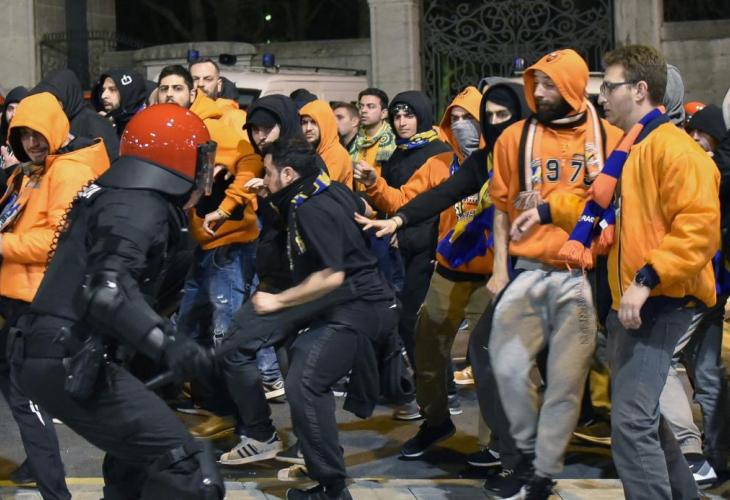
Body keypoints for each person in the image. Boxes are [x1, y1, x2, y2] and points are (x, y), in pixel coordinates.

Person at [516, 44, 719, 500]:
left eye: (609, 87)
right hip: (634, 301)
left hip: (661, 301)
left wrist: (646, 280)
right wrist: (546, 210)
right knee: (642, 418)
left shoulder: (676, 151)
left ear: (640, 90)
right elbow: (610, 217)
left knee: (630, 422)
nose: (601, 96)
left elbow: (698, 230)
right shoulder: (632, 150)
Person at [14, 104, 224, 499]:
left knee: (135, 468)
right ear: (181, 159)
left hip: (61, 351)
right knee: (186, 469)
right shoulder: (137, 203)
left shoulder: (122, 197)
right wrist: (169, 345)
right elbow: (106, 292)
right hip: (67, 354)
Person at [355, 83, 528, 463]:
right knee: (427, 349)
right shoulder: (445, 164)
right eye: (457, 118)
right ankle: (435, 421)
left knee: (487, 359)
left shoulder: (513, 162)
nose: (464, 125)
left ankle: (495, 443)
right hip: (448, 269)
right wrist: (384, 200)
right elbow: (416, 199)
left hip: (493, 277)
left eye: (472, 118)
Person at [484, 49, 622, 499]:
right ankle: (524, 455)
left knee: (566, 382)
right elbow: (501, 209)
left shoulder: (612, 137)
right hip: (527, 270)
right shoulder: (513, 138)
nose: (538, 93)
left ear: (573, 87)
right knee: (506, 366)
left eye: (549, 84)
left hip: (582, 276)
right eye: (536, 83)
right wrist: (499, 270)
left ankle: (541, 474)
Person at [254, 137, 396, 500]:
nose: (265, 179)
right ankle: (321, 459)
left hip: (358, 307)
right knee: (298, 358)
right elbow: (364, 207)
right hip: (357, 302)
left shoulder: (309, 209)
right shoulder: (327, 189)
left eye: (268, 173)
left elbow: (331, 276)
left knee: (304, 383)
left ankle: (332, 488)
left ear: (288, 174)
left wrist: (277, 300)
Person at [0, 91, 111, 499]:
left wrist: (1, 245)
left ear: (56, 128)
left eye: (37, 133)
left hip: (37, 302)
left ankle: (53, 489)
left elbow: (54, 243)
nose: (31, 142)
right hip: (19, 296)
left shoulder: (66, 172)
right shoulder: (35, 171)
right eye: (23, 135)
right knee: (22, 394)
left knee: (26, 397)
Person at [353, 90, 452, 420]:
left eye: (409, 115)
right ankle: (434, 389)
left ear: (422, 116)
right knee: (411, 322)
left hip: (430, 249)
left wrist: (435, 244)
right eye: (397, 116)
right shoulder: (399, 152)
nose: (401, 122)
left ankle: (438, 392)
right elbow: (394, 201)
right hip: (402, 245)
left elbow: (428, 205)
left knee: (416, 321)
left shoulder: (439, 154)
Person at [31, 69, 119, 161]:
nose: (50, 105)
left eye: (55, 99)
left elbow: (111, 161)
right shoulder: (56, 123)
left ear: (68, 96)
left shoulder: (95, 124)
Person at [348, 88, 396, 190]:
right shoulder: (355, 141)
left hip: (382, 197)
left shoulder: (394, 142)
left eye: (370, 106)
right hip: (356, 197)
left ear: (384, 113)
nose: (363, 110)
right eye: (361, 106)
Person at [300, 99, 354, 188]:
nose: (308, 128)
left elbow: (319, 189)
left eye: (314, 122)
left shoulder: (336, 154)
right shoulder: (311, 151)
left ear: (325, 124)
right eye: (304, 122)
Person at [91, 69, 147, 137]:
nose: (103, 96)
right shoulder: (112, 121)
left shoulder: (147, 126)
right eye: (103, 90)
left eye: (112, 89)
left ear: (128, 93)